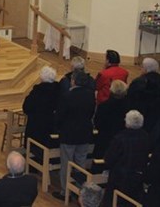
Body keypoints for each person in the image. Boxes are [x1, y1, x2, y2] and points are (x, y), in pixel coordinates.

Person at [53, 70, 96, 201]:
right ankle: (80, 191)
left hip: (69, 134)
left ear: (73, 81)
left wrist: (59, 127)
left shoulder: (67, 96)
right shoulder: (90, 96)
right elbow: (90, 113)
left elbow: (60, 115)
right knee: (80, 163)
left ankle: (64, 191)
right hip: (84, 133)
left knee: (66, 163)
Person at [102, 110, 150, 206]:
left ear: (127, 122)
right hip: (137, 177)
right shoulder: (145, 136)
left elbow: (108, 159)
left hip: (119, 179)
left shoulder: (120, 138)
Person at [22, 66, 60, 153]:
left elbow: (26, 107)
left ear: (42, 78)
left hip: (37, 128)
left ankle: (33, 160)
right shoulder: (59, 90)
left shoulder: (37, 92)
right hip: (52, 126)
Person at [93, 80, 128, 159]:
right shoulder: (128, 106)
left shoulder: (103, 106)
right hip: (121, 140)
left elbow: (97, 122)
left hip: (104, 139)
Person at [127, 57, 160, 132]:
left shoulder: (138, 82)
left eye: (141, 67)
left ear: (145, 69)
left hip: (140, 118)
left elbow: (130, 99)